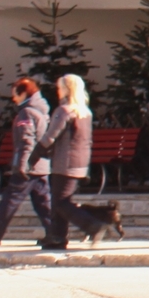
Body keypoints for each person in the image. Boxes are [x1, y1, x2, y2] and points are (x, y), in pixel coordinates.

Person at [29, 73, 120, 251]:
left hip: (65, 161)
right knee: (59, 201)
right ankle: (57, 238)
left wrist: (35, 155)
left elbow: (51, 136)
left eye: (59, 87)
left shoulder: (64, 111)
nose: (57, 90)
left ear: (65, 89)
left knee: (61, 203)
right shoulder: (85, 112)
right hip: (80, 161)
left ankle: (92, 225)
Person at [0, 76, 51, 248]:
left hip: (28, 166)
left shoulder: (26, 113)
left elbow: (27, 140)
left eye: (15, 95)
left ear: (24, 93)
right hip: (42, 165)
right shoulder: (42, 110)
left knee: (10, 200)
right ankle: (55, 233)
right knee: (43, 203)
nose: (13, 98)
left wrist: (22, 165)